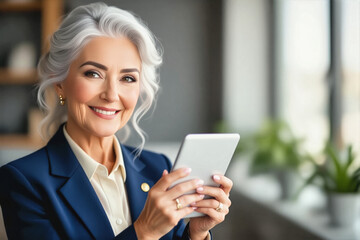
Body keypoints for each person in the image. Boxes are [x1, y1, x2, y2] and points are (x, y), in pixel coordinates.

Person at [0, 2, 233, 240]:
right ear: (60, 82)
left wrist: (196, 234)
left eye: (128, 78)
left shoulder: (158, 167)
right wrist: (144, 231)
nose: (111, 94)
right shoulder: (24, 180)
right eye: (93, 73)